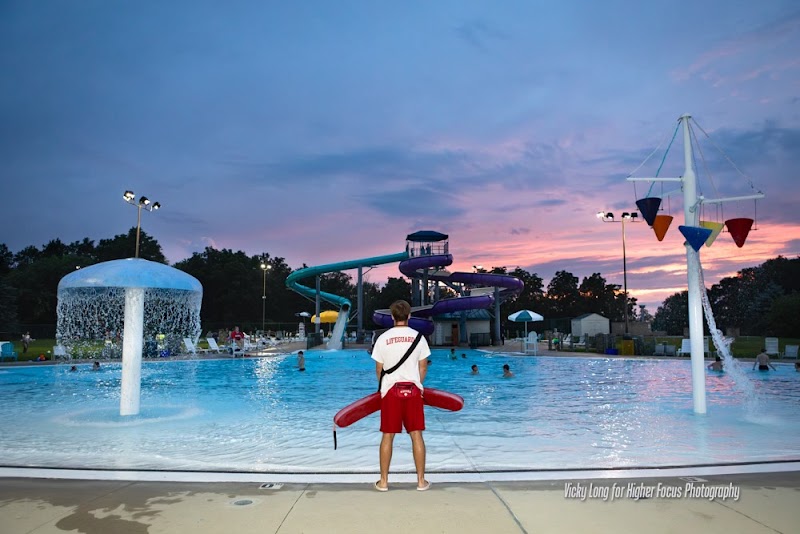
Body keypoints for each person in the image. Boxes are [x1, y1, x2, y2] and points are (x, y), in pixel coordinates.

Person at [370, 300, 431, 492]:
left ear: (392, 317)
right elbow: (423, 367)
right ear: (409, 316)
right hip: (412, 392)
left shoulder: (383, 338)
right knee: (416, 435)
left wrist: (384, 388)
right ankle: (421, 482)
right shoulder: (419, 338)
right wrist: (417, 384)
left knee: (387, 437)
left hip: (390, 392)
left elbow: (379, 369)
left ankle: (384, 482)